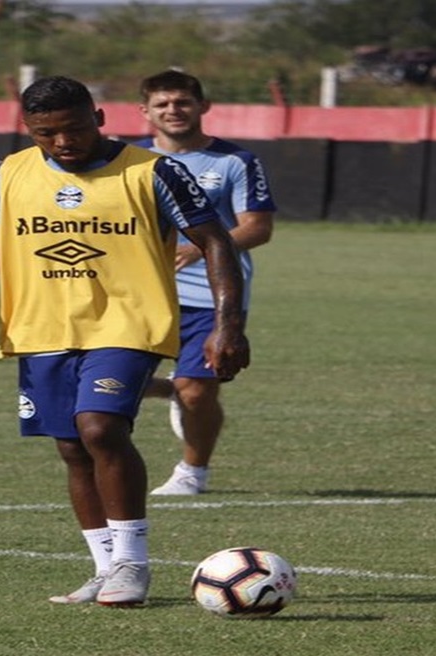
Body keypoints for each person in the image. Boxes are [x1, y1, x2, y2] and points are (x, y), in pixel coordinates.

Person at [0, 76, 249, 607]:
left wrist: (228, 325)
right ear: (28, 129)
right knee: (72, 447)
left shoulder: (154, 172)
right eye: (45, 133)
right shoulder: (7, 174)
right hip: (40, 326)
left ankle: (133, 563)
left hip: (127, 323)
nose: (62, 142)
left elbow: (215, 241)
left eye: (74, 128)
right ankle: (105, 569)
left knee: (100, 428)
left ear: (100, 119)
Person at [135, 70, 277, 496]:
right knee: (104, 380)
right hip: (138, 295)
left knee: (197, 391)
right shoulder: (129, 161)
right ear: (145, 112)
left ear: (203, 106)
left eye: (181, 102)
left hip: (208, 295)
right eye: (162, 104)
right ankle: (171, 392)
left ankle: (192, 474)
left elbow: (258, 228)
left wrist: (202, 246)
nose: (173, 111)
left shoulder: (235, 162)